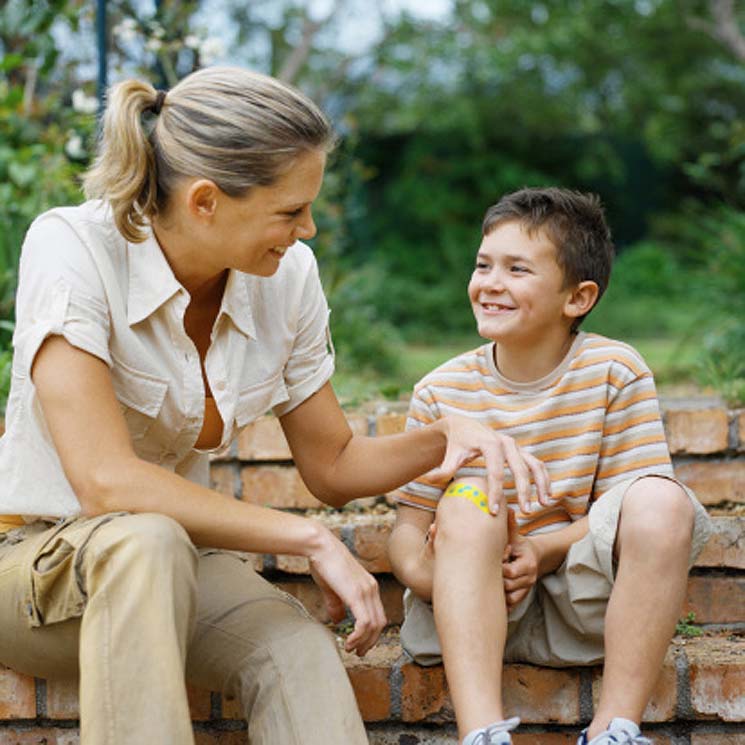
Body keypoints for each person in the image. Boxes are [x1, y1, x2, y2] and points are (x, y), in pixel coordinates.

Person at [0, 68, 548, 745]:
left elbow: (333, 462)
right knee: (145, 538)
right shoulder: (73, 247)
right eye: (290, 212)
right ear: (205, 201)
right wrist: (308, 536)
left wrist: (447, 435)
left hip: (178, 569)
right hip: (35, 569)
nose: (308, 229)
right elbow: (104, 480)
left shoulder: (285, 278)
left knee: (296, 649)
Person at [388, 187, 712, 745]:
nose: (490, 282)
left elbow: (631, 502)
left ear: (577, 297)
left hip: (584, 608)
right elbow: (407, 531)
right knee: (469, 496)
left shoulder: (614, 370)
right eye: (484, 264)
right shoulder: (440, 392)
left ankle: (614, 731)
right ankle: (482, 734)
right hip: (466, 612)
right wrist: (432, 576)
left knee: (661, 497)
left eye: (517, 269)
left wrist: (542, 549)